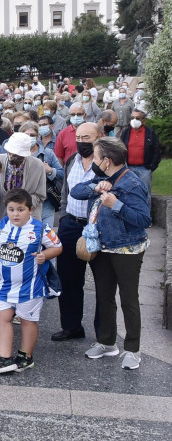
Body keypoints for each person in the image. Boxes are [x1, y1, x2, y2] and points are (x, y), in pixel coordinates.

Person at [72, 138, 152, 369]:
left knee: (128, 299)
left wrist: (116, 205)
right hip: (102, 246)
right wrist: (95, 187)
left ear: (106, 161)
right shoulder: (102, 177)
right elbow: (77, 192)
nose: (94, 162)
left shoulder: (132, 184)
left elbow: (144, 220)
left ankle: (132, 350)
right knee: (103, 296)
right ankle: (107, 343)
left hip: (127, 249)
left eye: (96, 158)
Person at [0, 189, 63, 374]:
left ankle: (26, 357)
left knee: (27, 320)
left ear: (30, 210)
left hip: (30, 285)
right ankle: (4, 357)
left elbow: (57, 247)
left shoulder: (40, 228)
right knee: (1, 316)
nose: (15, 214)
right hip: (6, 284)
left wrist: (44, 255)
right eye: (11, 209)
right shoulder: (3, 224)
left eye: (20, 209)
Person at [52, 121, 102, 342]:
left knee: (103, 281)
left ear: (99, 137)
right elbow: (66, 191)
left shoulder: (108, 164)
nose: (82, 142)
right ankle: (72, 327)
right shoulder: (72, 160)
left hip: (97, 227)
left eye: (87, 138)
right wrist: (63, 217)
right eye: (79, 138)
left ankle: (104, 333)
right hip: (71, 224)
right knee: (69, 278)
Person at [0, 133, 47, 222]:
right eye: (9, 153)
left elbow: (40, 195)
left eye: (16, 155)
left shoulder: (38, 165)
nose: (11, 157)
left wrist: (21, 203)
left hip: (28, 220)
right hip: (2, 218)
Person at [21, 122, 64, 227]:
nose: (29, 138)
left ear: (37, 136)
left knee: (46, 236)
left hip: (46, 203)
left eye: (32, 135)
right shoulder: (16, 153)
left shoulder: (48, 153)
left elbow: (62, 173)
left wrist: (50, 170)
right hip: (23, 203)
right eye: (26, 135)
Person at [119, 108, 162, 197]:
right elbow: (120, 148)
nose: (134, 120)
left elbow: (156, 150)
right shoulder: (126, 132)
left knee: (145, 194)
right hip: (128, 168)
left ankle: (145, 211)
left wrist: (151, 167)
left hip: (144, 169)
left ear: (144, 120)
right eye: (132, 118)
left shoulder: (150, 133)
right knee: (128, 193)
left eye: (137, 118)